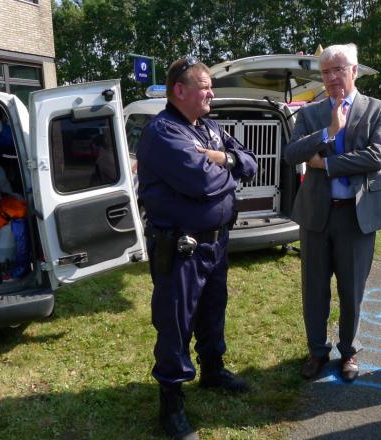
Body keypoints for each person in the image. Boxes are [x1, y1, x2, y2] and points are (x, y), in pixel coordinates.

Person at [136, 57, 258, 439]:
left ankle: (213, 370)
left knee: (212, 308)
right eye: (204, 86)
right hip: (181, 249)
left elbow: (250, 164)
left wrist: (223, 159)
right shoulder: (163, 132)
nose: (211, 93)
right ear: (180, 90)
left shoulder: (210, 128)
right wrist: (229, 173)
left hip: (216, 242)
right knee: (176, 321)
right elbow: (202, 184)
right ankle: (170, 403)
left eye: (210, 86)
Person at [284, 44, 381, 382]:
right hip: (317, 214)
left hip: (356, 217)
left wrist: (327, 163)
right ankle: (317, 351)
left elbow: (376, 156)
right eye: (326, 71)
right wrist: (328, 132)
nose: (331, 77)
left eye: (338, 70)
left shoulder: (377, 109)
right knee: (314, 288)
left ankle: (349, 352)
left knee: (352, 289)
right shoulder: (311, 114)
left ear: (354, 71)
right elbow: (291, 153)